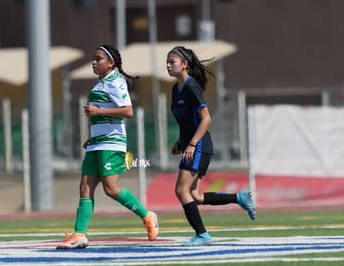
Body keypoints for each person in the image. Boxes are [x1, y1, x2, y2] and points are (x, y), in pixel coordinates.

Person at [57, 44, 159, 249]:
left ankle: (147, 215)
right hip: (97, 142)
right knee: (85, 187)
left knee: (111, 189)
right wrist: (92, 136)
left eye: (99, 59)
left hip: (112, 143)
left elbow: (128, 111)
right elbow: (103, 112)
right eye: (93, 58)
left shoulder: (116, 81)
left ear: (111, 63)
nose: (94, 62)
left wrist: (98, 111)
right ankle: (80, 234)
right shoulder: (100, 83)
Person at [167, 46, 256, 246]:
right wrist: (180, 141)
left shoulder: (192, 87)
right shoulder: (175, 89)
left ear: (184, 64)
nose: (168, 65)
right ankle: (239, 198)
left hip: (199, 145)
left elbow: (206, 119)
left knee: (181, 191)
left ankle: (202, 235)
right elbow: (186, 121)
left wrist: (191, 144)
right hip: (192, 144)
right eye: (167, 61)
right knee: (195, 195)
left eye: (172, 61)